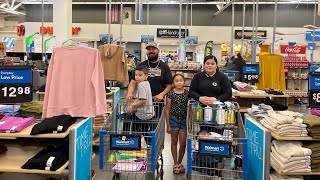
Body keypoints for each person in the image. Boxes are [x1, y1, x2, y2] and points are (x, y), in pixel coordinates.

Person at [127, 43, 172, 109]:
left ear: (158, 51)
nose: (151, 51)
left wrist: (161, 94)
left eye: (153, 49)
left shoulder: (165, 67)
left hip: (158, 102)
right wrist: (129, 93)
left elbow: (169, 85)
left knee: (157, 118)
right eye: (149, 49)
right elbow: (133, 81)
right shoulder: (141, 65)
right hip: (141, 101)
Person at [166, 74, 190, 174]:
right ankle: (175, 164)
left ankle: (180, 163)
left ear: (184, 82)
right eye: (176, 81)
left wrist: (189, 123)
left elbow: (190, 109)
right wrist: (168, 125)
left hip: (184, 120)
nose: (179, 82)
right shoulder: (170, 93)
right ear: (173, 83)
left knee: (183, 143)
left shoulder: (187, 94)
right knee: (174, 141)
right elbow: (167, 110)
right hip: (173, 119)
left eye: (181, 80)